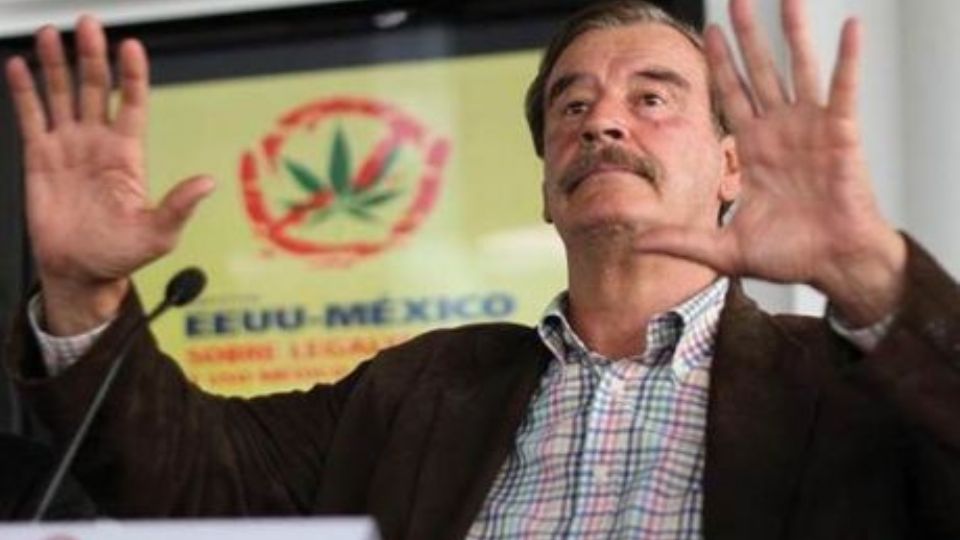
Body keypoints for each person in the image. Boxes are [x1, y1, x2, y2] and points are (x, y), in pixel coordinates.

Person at [3, 0, 958, 538]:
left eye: (652, 98)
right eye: (571, 107)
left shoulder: (850, 390)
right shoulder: (423, 387)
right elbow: (189, 477)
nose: (602, 122)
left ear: (731, 167)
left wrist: (870, 272)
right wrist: (84, 293)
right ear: (546, 188)